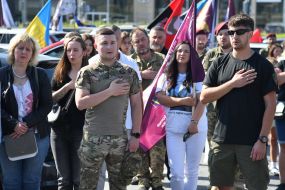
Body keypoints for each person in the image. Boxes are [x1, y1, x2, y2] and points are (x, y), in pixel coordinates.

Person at [201, 13, 277, 190]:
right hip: (222, 139)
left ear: (250, 34)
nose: (234, 37)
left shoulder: (263, 65)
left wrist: (263, 139)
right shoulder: (218, 63)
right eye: (231, 32)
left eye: (239, 32)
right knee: (220, 187)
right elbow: (204, 96)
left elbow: (270, 105)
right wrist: (232, 83)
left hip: (251, 142)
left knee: (257, 187)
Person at [75, 27, 142, 190]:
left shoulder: (128, 72)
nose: (110, 47)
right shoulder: (87, 72)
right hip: (92, 140)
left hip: (120, 139)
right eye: (104, 43)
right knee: (88, 186)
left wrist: (135, 134)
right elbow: (81, 103)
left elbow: (137, 104)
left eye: (113, 43)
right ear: (96, 46)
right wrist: (110, 91)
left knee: (119, 186)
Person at [0, 33, 52, 189]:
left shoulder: (40, 74)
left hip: (37, 136)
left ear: (33, 53)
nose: (24, 52)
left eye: (28, 49)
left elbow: (47, 105)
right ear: (13, 50)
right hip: (9, 135)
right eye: (20, 48)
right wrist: (14, 124)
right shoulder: (2, 74)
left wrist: (25, 124)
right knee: (11, 181)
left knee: (32, 180)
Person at [156, 41, 207, 190]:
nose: (182, 54)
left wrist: (194, 122)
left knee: (192, 171)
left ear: (192, 56)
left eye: (186, 51)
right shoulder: (166, 75)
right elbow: (160, 98)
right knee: (176, 173)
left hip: (196, 128)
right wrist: (181, 101)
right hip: (173, 128)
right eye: (179, 51)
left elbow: (201, 102)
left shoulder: (198, 77)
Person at [50, 36, 87, 190]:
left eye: (75, 50)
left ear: (84, 52)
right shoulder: (60, 71)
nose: (71, 53)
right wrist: (67, 87)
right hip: (59, 130)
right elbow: (50, 98)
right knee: (63, 180)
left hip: (81, 131)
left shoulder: (90, 72)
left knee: (79, 180)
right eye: (68, 50)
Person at [130, 27, 165, 190]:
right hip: (137, 111)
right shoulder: (129, 62)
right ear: (132, 44)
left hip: (157, 112)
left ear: (147, 39)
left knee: (157, 148)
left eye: (143, 39)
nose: (141, 43)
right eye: (136, 41)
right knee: (139, 147)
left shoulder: (162, 58)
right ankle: (143, 179)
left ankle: (157, 180)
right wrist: (141, 74)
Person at [202, 21, 232, 190]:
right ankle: (215, 182)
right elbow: (205, 79)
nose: (223, 37)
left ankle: (233, 182)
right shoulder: (211, 55)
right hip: (213, 108)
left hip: (233, 108)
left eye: (227, 33)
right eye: (220, 34)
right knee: (214, 147)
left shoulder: (238, 54)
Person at [273, 61, 285, 190]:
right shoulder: (282, 63)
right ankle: (283, 183)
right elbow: (276, 80)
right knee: (284, 147)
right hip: (283, 111)